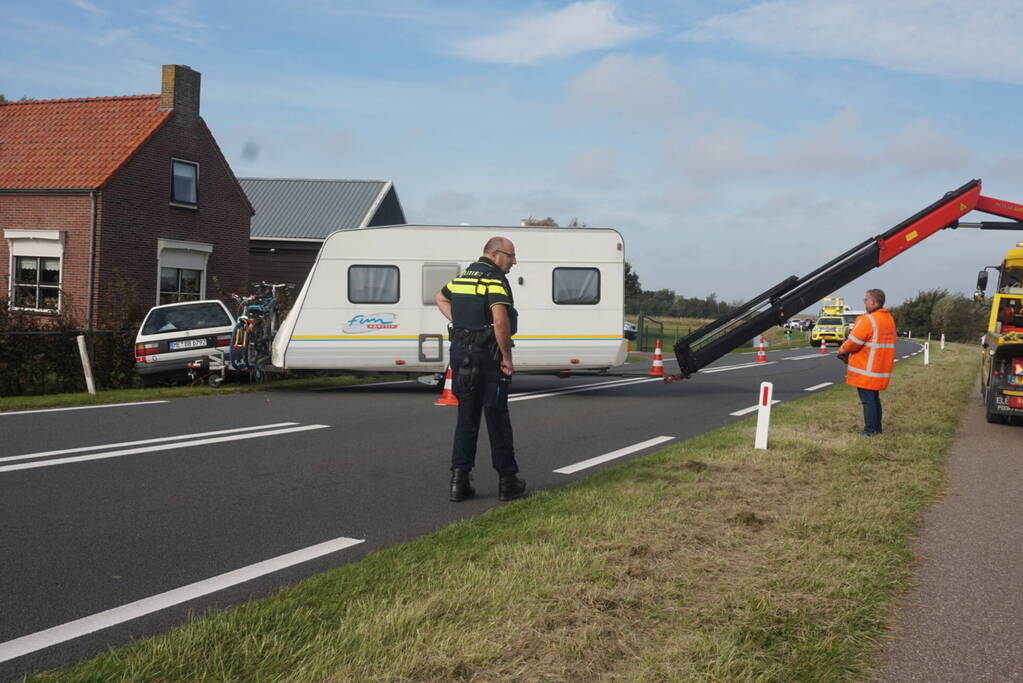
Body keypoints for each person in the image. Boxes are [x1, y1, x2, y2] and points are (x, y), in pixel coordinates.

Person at [435, 236, 527, 502]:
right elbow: (500, 321)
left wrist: (462, 323)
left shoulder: (464, 277)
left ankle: (459, 481)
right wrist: (507, 358)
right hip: (489, 357)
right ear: (496, 254)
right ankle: (507, 481)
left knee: (467, 418)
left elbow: (440, 297)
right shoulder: (495, 279)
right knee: (497, 416)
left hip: (462, 356)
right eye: (511, 256)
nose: (514, 261)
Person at [836, 289, 897, 436]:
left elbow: (853, 342)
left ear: (873, 302)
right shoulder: (888, 319)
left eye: (865, 300)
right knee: (874, 400)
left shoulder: (868, 320)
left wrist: (841, 350)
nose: (864, 302)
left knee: (868, 401)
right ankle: (876, 429)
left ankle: (870, 431)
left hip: (866, 369)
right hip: (879, 369)